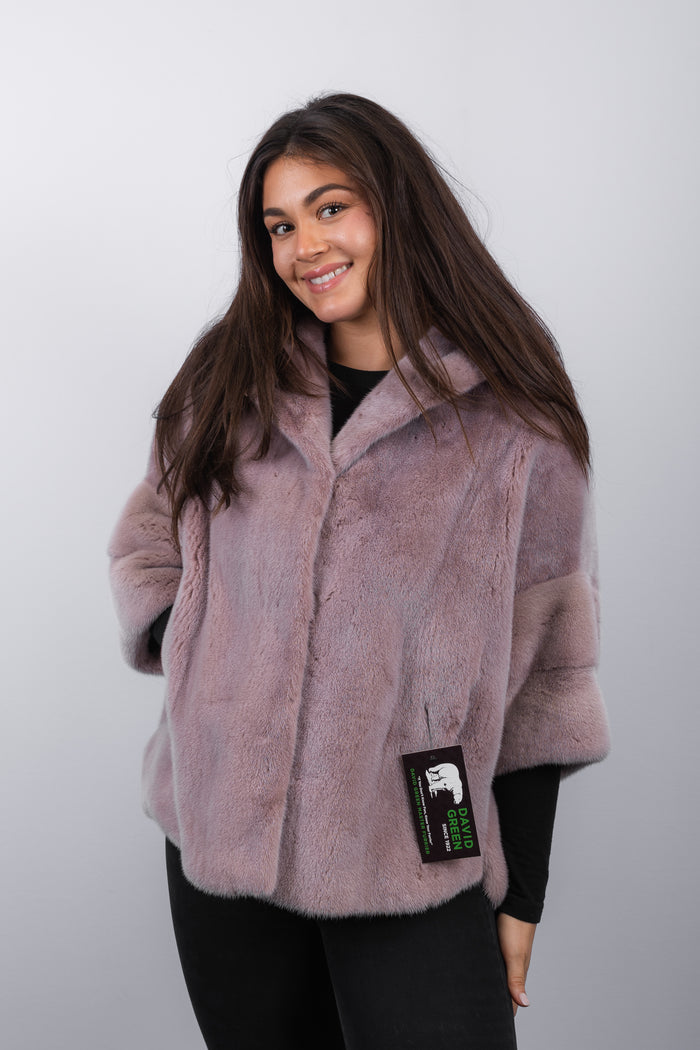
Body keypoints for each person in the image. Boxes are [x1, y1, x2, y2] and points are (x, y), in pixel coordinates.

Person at [109, 93, 610, 1050]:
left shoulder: (516, 423)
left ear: (396, 206)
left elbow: (548, 675)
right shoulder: (230, 376)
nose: (305, 247)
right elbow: (150, 543)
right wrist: (207, 655)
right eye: (279, 225)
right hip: (221, 838)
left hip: (420, 827)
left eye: (331, 208)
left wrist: (524, 895)